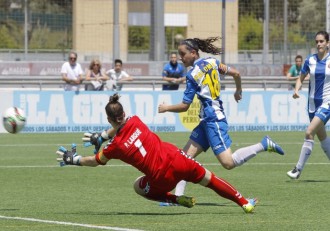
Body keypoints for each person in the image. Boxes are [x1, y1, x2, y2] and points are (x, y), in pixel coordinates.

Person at [56, 93, 257, 213]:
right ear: (124, 114)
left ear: (109, 120)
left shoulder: (115, 147)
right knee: (211, 180)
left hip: (162, 178)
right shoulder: (135, 120)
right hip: (178, 158)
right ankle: (243, 202)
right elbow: (120, 126)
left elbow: (94, 160)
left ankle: (176, 199)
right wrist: (103, 135)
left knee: (138, 186)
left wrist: (75, 159)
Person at [158, 37, 285, 198]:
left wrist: (166, 108)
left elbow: (185, 106)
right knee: (184, 158)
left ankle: (263, 144)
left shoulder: (192, 75)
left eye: (183, 54)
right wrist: (238, 90)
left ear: (193, 53)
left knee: (228, 163)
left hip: (214, 120)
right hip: (206, 121)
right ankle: (177, 197)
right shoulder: (212, 62)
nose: (181, 58)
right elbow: (236, 73)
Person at [287, 31, 330, 179]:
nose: (319, 44)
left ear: (328, 43)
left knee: (309, 132)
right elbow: (301, 77)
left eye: (322, 41)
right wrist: (296, 89)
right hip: (312, 105)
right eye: (317, 41)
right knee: (323, 138)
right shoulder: (310, 60)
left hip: (327, 103)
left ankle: (297, 169)